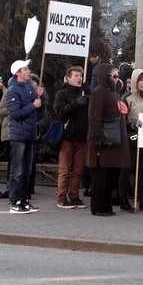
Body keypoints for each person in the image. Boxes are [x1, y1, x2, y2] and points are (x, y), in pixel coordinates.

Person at [87, 64, 130, 216]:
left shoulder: (114, 93)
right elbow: (94, 117)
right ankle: (98, 207)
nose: (117, 79)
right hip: (103, 142)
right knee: (101, 177)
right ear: (105, 76)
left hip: (114, 141)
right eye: (114, 76)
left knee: (111, 176)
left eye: (118, 76)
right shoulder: (99, 93)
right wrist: (97, 138)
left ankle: (106, 206)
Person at [5, 59, 44, 214]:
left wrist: (41, 98)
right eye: (26, 69)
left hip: (29, 134)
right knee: (18, 170)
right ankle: (14, 201)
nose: (29, 71)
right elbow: (14, 114)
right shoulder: (13, 90)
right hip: (18, 135)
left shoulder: (29, 87)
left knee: (27, 170)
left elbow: (39, 110)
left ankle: (24, 199)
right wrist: (32, 105)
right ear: (18, 72)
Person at [53, 66, 90, 210]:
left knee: (78, 169)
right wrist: (76, 104)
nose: (79, 78)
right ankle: (61, 197)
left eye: (80, 75)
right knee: (65, 168)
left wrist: (89, 91)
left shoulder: (85, 93)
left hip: (81, 137)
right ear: (68, 78)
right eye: (76, 75)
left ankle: (74, 196)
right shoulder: (62, 94)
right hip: (67, 137)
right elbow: (61, 113)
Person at [121, 68, 143, 211]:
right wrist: (132, 124)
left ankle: (142, 200)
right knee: (127, 169)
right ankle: (124, 201)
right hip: (130, 138)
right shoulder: (126, 98)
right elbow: (122, 119)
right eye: (141, 80)